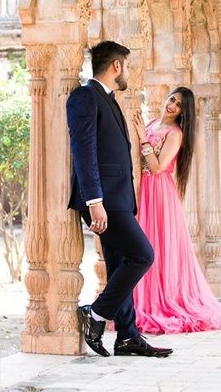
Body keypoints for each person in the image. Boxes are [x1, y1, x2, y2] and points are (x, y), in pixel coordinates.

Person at [67, 41, 173, 357]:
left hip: (119, 199)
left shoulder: (109, 99)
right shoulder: (85, 96)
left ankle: (127, 336)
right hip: (104, 201)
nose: (127, 72)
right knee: (143, 255)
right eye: (126, 66)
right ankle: (96, 314)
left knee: (119, 266)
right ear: (116, 66)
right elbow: (83, 151)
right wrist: (94, 201)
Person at [131, 87, 221, 334]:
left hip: (159, 192)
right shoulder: (154, 122)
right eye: (171, 99)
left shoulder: (175, 133)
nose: (171, 105)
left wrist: (142, 137)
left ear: (182, 112)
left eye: (177, 104)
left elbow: (157, 168)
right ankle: (139, 300)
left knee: (157, 245)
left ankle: (162, 300)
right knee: (142, 242)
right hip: (143, 189)